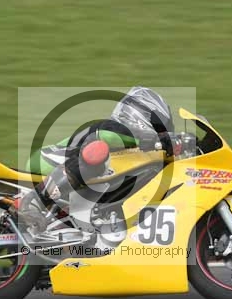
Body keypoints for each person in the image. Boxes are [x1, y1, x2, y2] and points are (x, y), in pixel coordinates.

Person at [17, 86, 177, 231]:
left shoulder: (132, 149)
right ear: (139, 113)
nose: (162, 134)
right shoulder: (112, 128)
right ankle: (34, 201)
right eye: (159, 127)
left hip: (74, 179)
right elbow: (111, 137)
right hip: (50, 161)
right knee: (98, 153)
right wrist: (154, 139)